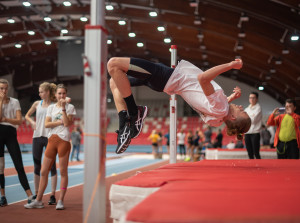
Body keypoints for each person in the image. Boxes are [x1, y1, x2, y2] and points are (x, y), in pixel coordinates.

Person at [107, 57, 251, 154]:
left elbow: (203, 78)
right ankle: (124, 123)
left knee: (113, 64)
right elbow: (214, 106)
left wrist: (231, 65)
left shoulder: (220, 107)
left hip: (166, 76)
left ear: (233, 117)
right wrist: (231, 97)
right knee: (114, 81)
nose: (241, 107)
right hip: (165, 82)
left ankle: (134, 112)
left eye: (242, 112)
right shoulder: (216, 120)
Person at [24, 84, 76, 210]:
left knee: (63, 172)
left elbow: (68, 123)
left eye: (64, 93)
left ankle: (61, 201)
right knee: (43, 171)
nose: (61, 96)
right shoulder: (51, 108)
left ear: (66, 94)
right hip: (51, 141)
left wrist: (63, 109)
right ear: (56, 94)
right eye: (59, 93)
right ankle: (39, 200)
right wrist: (59, 122)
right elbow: (47, 124)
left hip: (63, 141)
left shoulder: (70, 107)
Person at [0, 79, 34, 207]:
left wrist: (6, 119)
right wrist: (1, 102)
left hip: (11, 135)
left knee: (19, 165)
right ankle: (3, 196)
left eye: (5, 88)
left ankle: (30, 195)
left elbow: (19, 121)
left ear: (8, 89)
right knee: (0, 167)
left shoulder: (15, 102)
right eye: (1, 88)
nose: (3, 91)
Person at [25, 82, 58, 205]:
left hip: (50, 138)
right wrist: (32, 123)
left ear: (48, 92)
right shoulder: (36, 104)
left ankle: (53, 195)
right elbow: (27, 116)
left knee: (52, 167)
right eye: (39, 92)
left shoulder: (55, 106)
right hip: (37, 137)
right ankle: (37, 193)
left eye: (41, 91)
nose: (39, 94)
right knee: (37, 166)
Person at [244, 92, 262, 159]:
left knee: (256, 152)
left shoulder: (258, 108)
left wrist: (246, 118)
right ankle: (252, 167)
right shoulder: (247, 109)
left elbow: (252, 120)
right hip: (247, 132)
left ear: (257, 99)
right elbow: (243, 120)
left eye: (253, 98)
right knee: (249, 153)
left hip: (255, 132)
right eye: (250, 98)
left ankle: (259, 167)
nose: (251, 99)